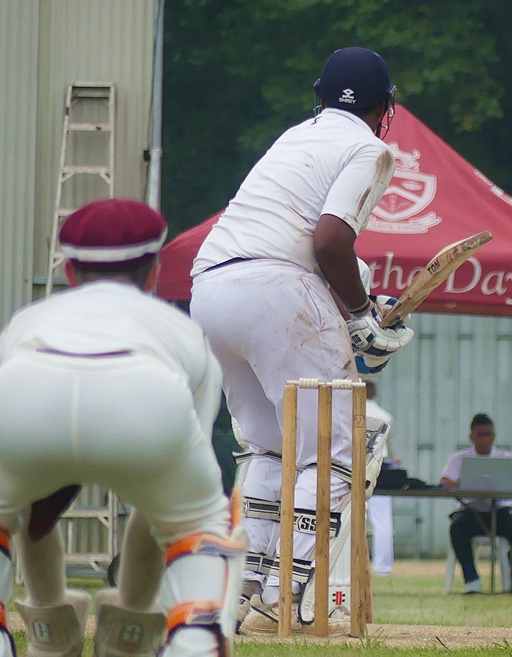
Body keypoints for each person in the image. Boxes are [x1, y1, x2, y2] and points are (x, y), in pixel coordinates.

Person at [187, 47, 414, 633]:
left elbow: (305, 245)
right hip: (275, 290)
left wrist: (363, 302)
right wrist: (362, 319)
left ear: (318, 94)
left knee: (269, 447)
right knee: (336, 449)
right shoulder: (369, 147)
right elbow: (330, 241)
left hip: (211, 289)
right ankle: (283, 598)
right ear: (385, 107)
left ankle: (245, 594)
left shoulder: (294, 138)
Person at [0, 198, 243, 657]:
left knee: (10, 504)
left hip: (26, 389)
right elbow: (162, 500)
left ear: (70, 274)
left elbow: (35, 499)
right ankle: (180, 634)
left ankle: (50, 635)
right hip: (145, 392)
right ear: (153, 272)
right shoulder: (182, 329)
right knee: (194, 520)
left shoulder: (27, 321)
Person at [439, 414, 512, 593]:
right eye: (479, 435)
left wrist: (506, 482)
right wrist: (461, 483)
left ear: (494, 436)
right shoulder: (458, 458)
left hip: (500, 512)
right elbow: (444, 482)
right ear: (471, 437)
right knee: (456, 529)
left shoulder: (507, 458)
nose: (484, 439)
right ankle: (472, 581)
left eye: (487, 434)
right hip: (470, 512)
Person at [364, 380, 396, 576]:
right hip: (379, 465)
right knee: (382, 519)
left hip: (352, 465)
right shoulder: (385, 416)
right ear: (375, 394)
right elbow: (387, 448)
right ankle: (383, 567)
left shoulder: (348, 412)